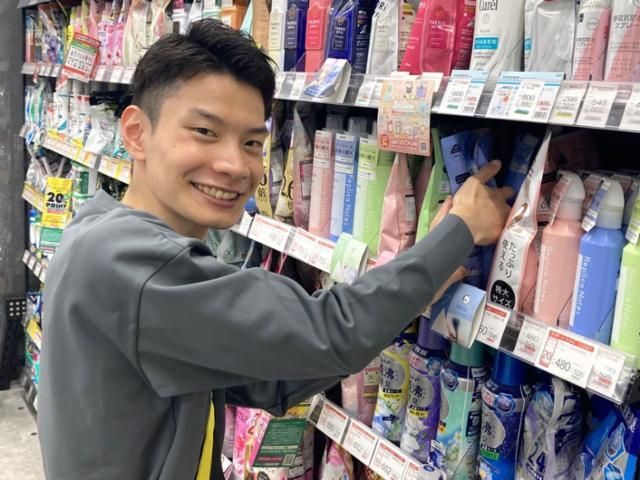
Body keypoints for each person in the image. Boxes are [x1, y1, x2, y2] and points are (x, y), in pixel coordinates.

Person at [38, 19, 512, 480]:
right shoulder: (133, 264)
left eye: (251, 142)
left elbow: (271, 380)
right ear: (136, 132)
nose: (234, 164)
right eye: (205, 132)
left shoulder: (97, 230)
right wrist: (460, 230)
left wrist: (414, 286)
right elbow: (331, 332)